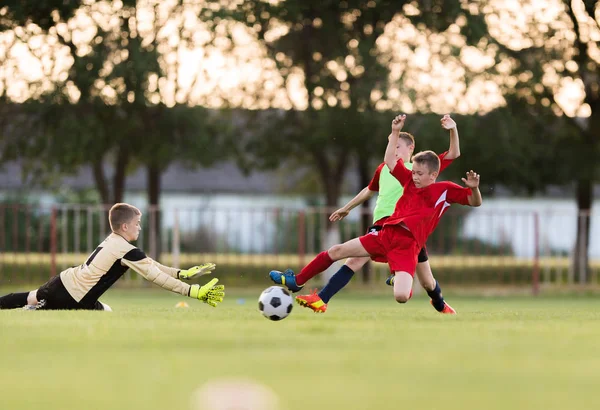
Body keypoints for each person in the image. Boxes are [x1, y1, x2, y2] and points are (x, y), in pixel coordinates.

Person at [270, 114, 482, 308]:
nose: (415, 176)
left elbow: (460, 168)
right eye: (391, 144)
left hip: (410, 241)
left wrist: (472, 185)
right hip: (385, 230)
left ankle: (433, 298)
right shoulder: (399, 173)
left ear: (411, 150)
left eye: (397, 145)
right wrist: (347, 208)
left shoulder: (429, 175)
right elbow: (372, 186)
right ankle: (302, 284)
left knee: (418, 286)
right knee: (339, 252)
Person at [0, 203, 224, 311]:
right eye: (137, 224)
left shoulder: (115, 242)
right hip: (73, 297)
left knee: (28, 296)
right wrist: (193, 291)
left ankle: (34, 306)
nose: (140, 228)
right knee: (36, 306)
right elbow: (154, 275)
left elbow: (150, 264)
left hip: (62, 282)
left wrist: (182, 273)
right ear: (125, 225)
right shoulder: (125, 250)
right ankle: (36, 310)